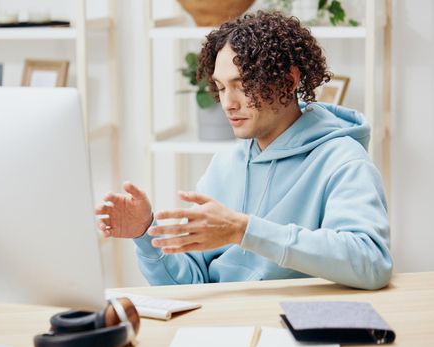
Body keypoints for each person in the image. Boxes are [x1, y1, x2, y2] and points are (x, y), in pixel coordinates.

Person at [95, 11, 392, 290]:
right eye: (221, 88)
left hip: (294, 327)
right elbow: (191, 282)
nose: (228, 103)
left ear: (288, 81)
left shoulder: (343, 160)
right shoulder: (226, 164)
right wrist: (146, 233)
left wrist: (245, 230)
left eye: (243, 85)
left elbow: (371, 262)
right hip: (224, 324)